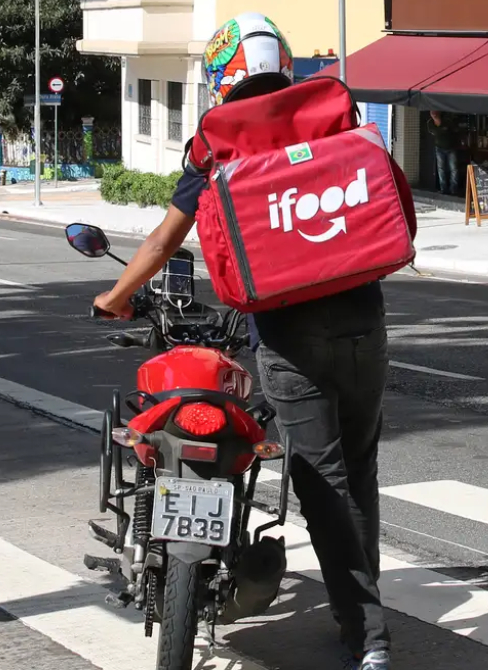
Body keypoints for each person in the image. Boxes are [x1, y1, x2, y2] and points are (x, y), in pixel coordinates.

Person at [90, 13, 392, 670]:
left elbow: (166, 240)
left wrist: (114, 298)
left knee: (325, 484)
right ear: (282, 62)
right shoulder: (333, 112)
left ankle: (369, 640)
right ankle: (359, 620)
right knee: (359, 472)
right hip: (364, 318)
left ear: (223, 74)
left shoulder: (218, 139)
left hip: (287, 331)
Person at [427, 111, 459, 196]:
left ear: (439, 112)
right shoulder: (430, 123)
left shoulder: (447, 121)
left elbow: (454, 130)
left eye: (435, 112)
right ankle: (443, 189)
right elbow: (432, 132)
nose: (434, 114)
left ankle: (453, 189)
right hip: (439, 148)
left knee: (454, 169)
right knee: (441, 169)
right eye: (432, 112)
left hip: (451, 147)